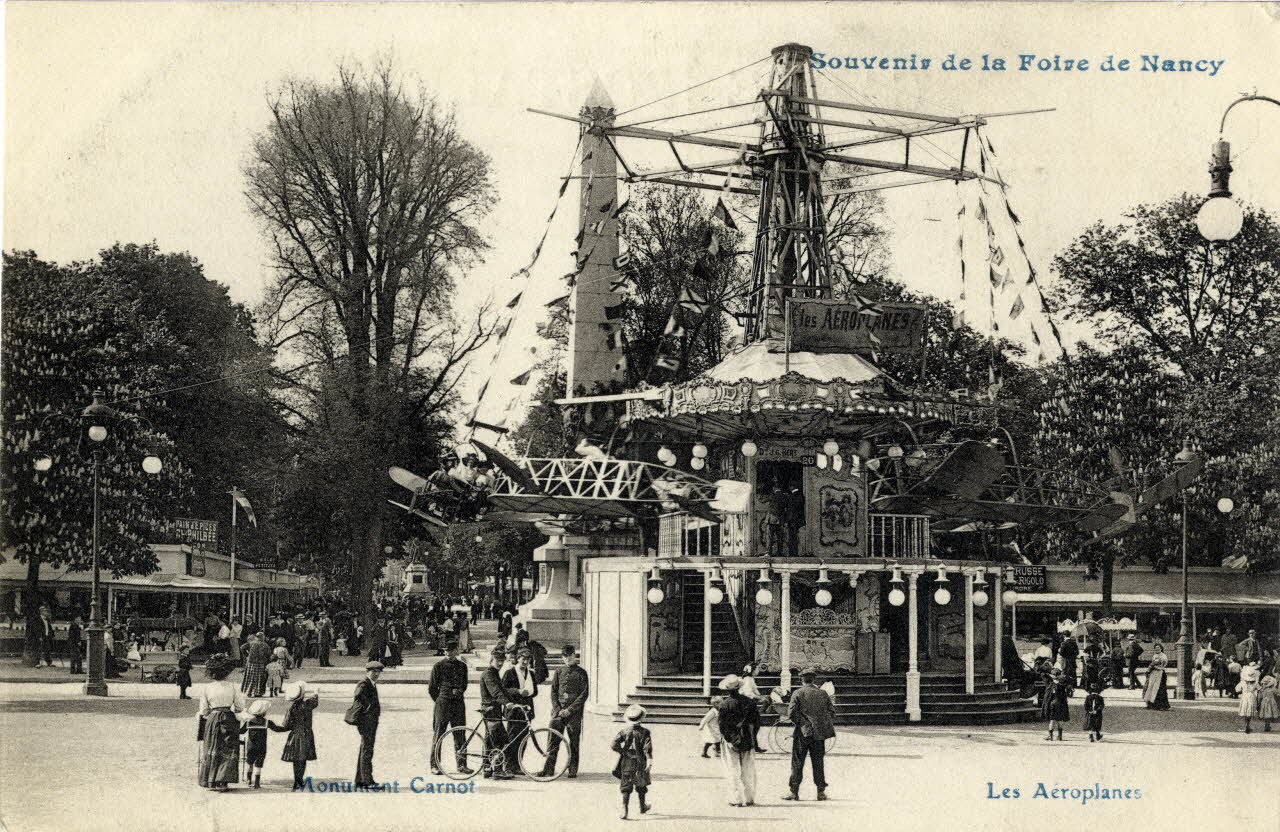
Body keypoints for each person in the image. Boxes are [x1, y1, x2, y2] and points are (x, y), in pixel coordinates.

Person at [196, 653, 246, 791]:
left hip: (212, 719)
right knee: (228, 747)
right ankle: (223, 781)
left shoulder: (207, 688)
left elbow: (204, 710)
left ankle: (210, 780)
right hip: (228, 718)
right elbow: (239, 707)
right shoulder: (233, 687)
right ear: (227, 672)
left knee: (212, 747)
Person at [783, 668, 834, 802]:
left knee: (797, 762)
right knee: (818, 762)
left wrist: (803, 724)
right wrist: (820, 724)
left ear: (802, 679)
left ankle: (794, 792)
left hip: (802, 733)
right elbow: (831, 712)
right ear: (814, 679)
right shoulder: (823, 693)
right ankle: (821, 792)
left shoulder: (798, 693)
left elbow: (791, 713)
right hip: (819, 734)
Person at [542, 645, 589, 778]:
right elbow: (553, 692)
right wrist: (558, 709)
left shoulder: (581, 673)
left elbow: (584, 695)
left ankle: (572, 768)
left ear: (575, 655)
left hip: (573, 714)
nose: (568, 658)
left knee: (574, 741)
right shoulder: (558, 671)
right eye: (565, 656)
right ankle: (549, 769)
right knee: (553, 740)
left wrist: (570, 710)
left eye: (570, 655)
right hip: (558, 712)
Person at [714, 675, 759, 807]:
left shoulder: (724, 705)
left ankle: (736, 798)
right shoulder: (750, 703)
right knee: (748, 769)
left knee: (732, 769)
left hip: (730, 740)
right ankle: (749, 797)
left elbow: (722, 725)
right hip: (747, 738)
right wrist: (753, 736)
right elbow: (756, 723)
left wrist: (729, 739)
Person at [428, 643, 471, 776]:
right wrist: (442, 698)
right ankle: (435, 765)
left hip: (458, 704)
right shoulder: (438, 666)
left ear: (456, 651)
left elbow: (464, 684)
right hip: (443, 704)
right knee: (439, 734)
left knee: (460, 734)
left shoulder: (462, 666)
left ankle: (462, 765)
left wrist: (458, 691)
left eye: (451, 650)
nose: (448, 653)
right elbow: (432, 688)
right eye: (446, 650)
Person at [270, 682, 319, 789]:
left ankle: (296, 780)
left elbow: (286, 725)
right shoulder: (308, 704)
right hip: (307, 734)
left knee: (296, 759)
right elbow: (315, 701)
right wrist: (316, 692)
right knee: (303, 758)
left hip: (295, 735)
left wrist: (272, 726)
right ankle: (300, 780)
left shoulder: (291, 709)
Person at [612, 705, 653, 820]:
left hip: (627, 762)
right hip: (640, 762)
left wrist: (624, 752)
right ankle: (642, 806)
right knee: (641, 784)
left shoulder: (624, 732)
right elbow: (647, 749)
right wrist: (649, 761)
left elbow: (613, 745)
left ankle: (624, 808)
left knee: (626, 785)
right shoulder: (645, 732)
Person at [479, 648, 514, 779]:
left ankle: (486, 767)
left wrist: (514, 702)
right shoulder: (488, 674)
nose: (500, 664)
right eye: (497, 661)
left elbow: (503, 690)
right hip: (490, 711)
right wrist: (506, 703)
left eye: (502, 661)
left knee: (489, 740)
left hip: (493, 711)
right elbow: (495, 692)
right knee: (500, 740)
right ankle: (497, 770)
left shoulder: (494, 673)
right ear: (491, 660)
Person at [502, 648, 539, 773]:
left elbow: (535, 692)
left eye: (527, 660)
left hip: (526, 710)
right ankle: (508, 765)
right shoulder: (510, 673)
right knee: (512, 738)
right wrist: (518, 691)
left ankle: (518, 765)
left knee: (523, 738)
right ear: (518, 659)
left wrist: (529, 693)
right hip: (514, 710)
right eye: (523, 659)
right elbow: (504, 690)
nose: (525, 662)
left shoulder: (531, 673)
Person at [352, 661, 384, 789]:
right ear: (367, 672)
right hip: (367, 721)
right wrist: (368, 708)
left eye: (378, 672)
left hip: (370, 720)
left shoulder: (371, 683)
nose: (376, 674)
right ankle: (367, 781)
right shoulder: (364, 683)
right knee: (367, 750)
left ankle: (360, 779)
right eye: (373, 672)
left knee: (365, 749)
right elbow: (358, 695)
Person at [240, 699, 271, 789]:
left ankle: (249, 780)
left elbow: (241, 732)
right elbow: (278, 728)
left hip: (251, 745)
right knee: (258, 764)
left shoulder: (249, 722)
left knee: (249, 762)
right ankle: (257, 783)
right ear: (263, 713)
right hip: (261, 746)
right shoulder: (266, 722)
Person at [1042, 666, 1071, 740]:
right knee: (1059, 720)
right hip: (1060, 704)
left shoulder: (1051, 685)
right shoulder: (1062, 686)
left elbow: (1047, 697)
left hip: (1052, 704)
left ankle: (1050, 735)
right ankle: (1060, 736)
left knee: (1052, 720)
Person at [241, 633, 271, 698]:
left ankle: (248, 691)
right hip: (261, 663)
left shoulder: (251, 643)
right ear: (262, 637)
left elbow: (242, 648)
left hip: (251, 663)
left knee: (251, 677)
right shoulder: (265, 645)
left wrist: (247, 656)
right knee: (260, 678)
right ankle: (258, 692)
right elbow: (269, 655)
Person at [1236, 663, 1262, 733]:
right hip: (1252, 696)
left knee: (1245, 711)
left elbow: (1237, 690)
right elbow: (1259, 689)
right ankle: (1248, 724)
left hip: (1245, 696)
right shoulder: (1255, 683)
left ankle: (1245, 725)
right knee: (1249, 711)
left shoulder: (1243, 682)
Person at [1143, 644, 1170, 710]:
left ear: (1161, 648)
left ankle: (1161, 705)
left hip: (1160, 673)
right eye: (1155, 648)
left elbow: (1163, 664)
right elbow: (1153, 663)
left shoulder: (1164, 656)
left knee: (1160, 689)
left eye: (1158, 648)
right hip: (1153, 673)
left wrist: (1156, 666)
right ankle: (1151, 704)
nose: (1157, 649)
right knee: (1151, 687)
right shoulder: (1154, 655)